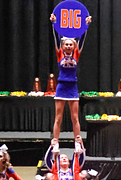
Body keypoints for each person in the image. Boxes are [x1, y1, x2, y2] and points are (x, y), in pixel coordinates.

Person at [50, 13, 92, 145]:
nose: (68, 46)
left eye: (70, 44)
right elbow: (56, 38)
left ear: (74, 46)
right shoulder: (59, 54)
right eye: (66, 44)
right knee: (58, 118)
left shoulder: (76, 54)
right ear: (63, 46)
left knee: (75, 117)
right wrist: (54, 23)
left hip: (73, 87)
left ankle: (77, 141)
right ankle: (55, 141)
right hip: (61, 87)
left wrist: (86, 25)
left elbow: (82, 39)